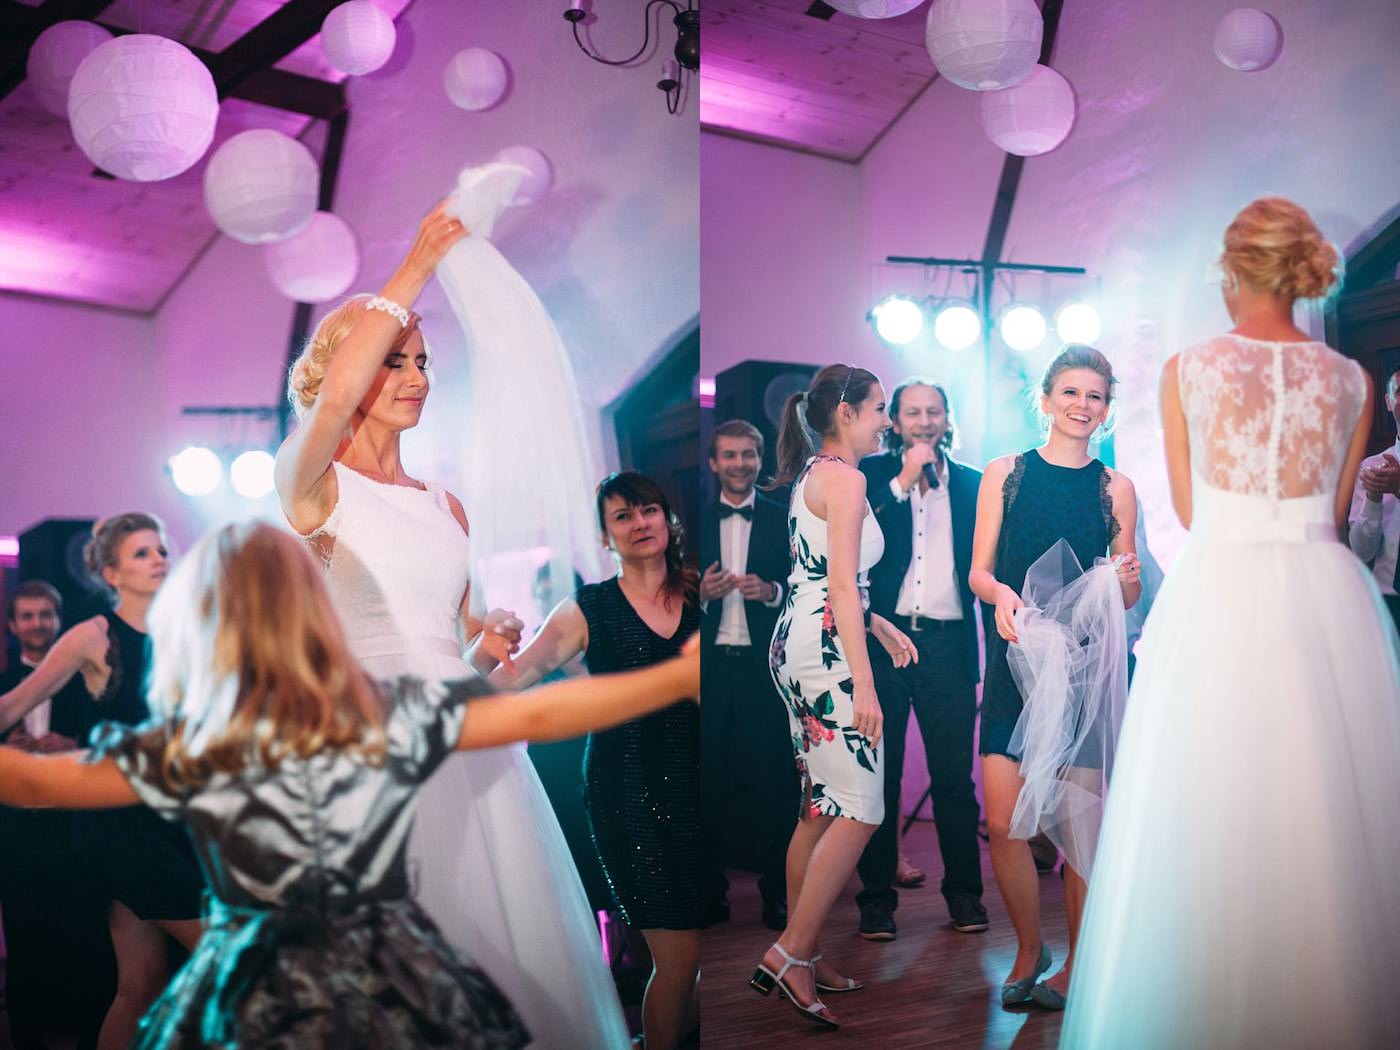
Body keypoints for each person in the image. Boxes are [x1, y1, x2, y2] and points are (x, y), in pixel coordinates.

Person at [0, 521, 701, 1049]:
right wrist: (673, 677)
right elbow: (538, 714)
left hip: (263, 986)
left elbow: (33, 783)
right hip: (389, 972)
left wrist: (671, 678)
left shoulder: (201, 742)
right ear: (310, 613)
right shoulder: (368, 716)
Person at [277, 201, 630, 1048]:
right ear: (345, 371)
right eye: (392, 360)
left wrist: (490, 650)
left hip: (469, 742)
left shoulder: (448, 506)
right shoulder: (312, 482)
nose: (416, 378)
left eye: (423, 362)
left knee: (498, 931)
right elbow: (338, 397)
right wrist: (418, 261)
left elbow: (458, 650)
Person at [1062, 197, 1400, 1049]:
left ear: (1232, 270)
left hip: (1222, 589)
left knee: (1209, 788)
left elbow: (1189, 508)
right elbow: (1333, 510)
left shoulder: (1189, 369)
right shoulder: (1353, 381)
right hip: (1327, 591)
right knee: (1333, 789)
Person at [491, 472, 701, 1050]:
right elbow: (511, 682)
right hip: (627, 794)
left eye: (648, 510)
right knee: (678, 958)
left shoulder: (700, 596)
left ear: (667, 519)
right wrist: (477, 653)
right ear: (605, 537)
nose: (640, 523)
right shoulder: (588, 607)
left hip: (697, 791)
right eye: (623, 516)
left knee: (698, 962)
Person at [970, 346, 1141, 1010]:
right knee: (1003, 820)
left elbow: (1126, 595)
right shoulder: (1004, 474)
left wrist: (1126, 581)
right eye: (1070, 392)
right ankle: (1028, 948)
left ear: (1107, 407)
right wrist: (1000, 596)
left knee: (1078, 830)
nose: (1082, 405)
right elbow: (980, 571)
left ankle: (1077, 966)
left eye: (1095, 395)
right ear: (1045, 400)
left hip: (1086, 672)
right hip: (1015, 659)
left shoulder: (1115, 487)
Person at [752, 364, 917, 1030]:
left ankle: (808, 954)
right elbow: (840, 587)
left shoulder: (814, 474)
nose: (887, 421)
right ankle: (790, 952)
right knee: (862, 808)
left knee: (819, 807)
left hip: (797, 642)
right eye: (880, 409)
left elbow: (821, 575)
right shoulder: (846, 480)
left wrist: (878, 623)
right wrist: (866, 682)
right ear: (846, 412)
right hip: (825, 656)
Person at [0, 515, 204, 1050]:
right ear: (111, 574)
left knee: (139, 987)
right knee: (223, 951)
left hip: (170, 820)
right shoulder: (93, 636)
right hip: (119, 830)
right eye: (141, 553)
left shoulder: (180, 632)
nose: (159, 560)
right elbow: (14, 705)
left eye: (161, 550)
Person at [853, 377, 988, 941]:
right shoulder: (869, 480)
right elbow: (853, 544)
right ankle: (876, 901)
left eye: (934, 411)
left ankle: (965, 896)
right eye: (912, 412)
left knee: (954, 780)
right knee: (878, 779)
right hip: (883, 642)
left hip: (947, 646)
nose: (924, 421)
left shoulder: (975, 485)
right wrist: (903, 481)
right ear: (895, 421)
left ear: (947, 419)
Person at [0, 581, 112, 1049]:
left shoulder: (88, 686)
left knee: (85, 938)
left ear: (59, 621)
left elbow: (114, 740)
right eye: (27, 616)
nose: (37, 624)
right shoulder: (1, 687)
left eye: (45, 615)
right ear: (12, 625)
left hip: (75, 828)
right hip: (16, 834)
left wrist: (74, 744)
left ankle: (86, 1035)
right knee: (24, 941)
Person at [699, 419, 795, 933]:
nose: (740, 464)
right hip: (709, 672)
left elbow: (809, 586)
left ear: (760, 460)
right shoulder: (692, 523)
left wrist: (773, 592)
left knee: (773, 783)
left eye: (748, 455)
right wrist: (699, 596)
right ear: (714, 463)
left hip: (764, 671)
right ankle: (709, 893)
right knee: (707, 781)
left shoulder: (783, 518)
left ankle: (777, 894)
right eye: (730, 455)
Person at [1349, 364, 1400, 632]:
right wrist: (1373, 498)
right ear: (1389, 402)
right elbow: (1361, 551)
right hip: (1387, 601)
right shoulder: (1370, 468)